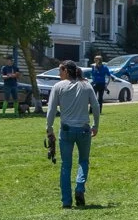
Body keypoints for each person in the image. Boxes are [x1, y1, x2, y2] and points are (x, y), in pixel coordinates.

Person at [44, 59, 102, 208]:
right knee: (83, 161)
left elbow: (51, 110)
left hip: (66, 131)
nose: (58, 74)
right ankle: (80, 188)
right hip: (84, 129)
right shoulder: (86, 85)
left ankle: (66, 201)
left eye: (60, 70)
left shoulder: (58, 87)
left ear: (66, 71)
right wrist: (95, 125)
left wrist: (49, 129)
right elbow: (96, 107)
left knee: (66, 166)